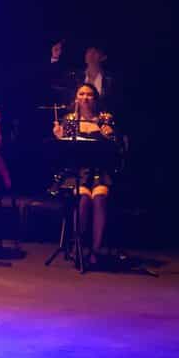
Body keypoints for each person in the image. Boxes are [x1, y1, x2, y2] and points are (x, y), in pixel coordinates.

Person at [52, 83, 119, 266]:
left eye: (89, 94)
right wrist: (60, 138)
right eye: (81, 94)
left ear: (95, 98)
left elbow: (116, 149)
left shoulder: (104, 119)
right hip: (77, 172)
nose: (85, 97)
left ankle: (95, 250)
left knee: (99, 198)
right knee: (83, 199)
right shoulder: (70, 120)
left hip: (99, 170)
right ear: (76, 98)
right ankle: (78, 247)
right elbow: (64, 153)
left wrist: (110, 136)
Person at [50, 41, 115, 110]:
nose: (91, 54)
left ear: (103, 57)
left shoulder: (110, 80)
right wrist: (55, 57)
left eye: (95, 52)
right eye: (89, 51)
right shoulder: (74, 76)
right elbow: (54, 82)